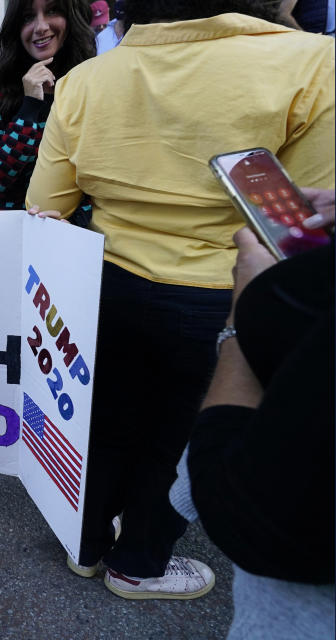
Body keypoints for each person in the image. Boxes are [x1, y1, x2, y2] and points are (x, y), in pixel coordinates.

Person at [25, 0, 334, 599]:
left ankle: (86, 548)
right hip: (221, 298)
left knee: (106, 424)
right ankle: (138, 565)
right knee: (175, 442)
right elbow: (301, 231)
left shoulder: (83, 80)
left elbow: (46, 205)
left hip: (106, 285)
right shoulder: (315, 65)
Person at [169, 198, 334, 638]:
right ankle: (134, 561)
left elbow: (253, 516)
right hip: (205, 283)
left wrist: (243, 320)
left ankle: (100, 548)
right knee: (162, 437)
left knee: (131, 430)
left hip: (126, 273)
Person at [0, 0, 94, 209]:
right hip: (15, 233)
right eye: (28, 17)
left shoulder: (92, 86)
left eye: (53, 10)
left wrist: (76, 220)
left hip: (81, 231)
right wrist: (28, 108)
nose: (41, 27)